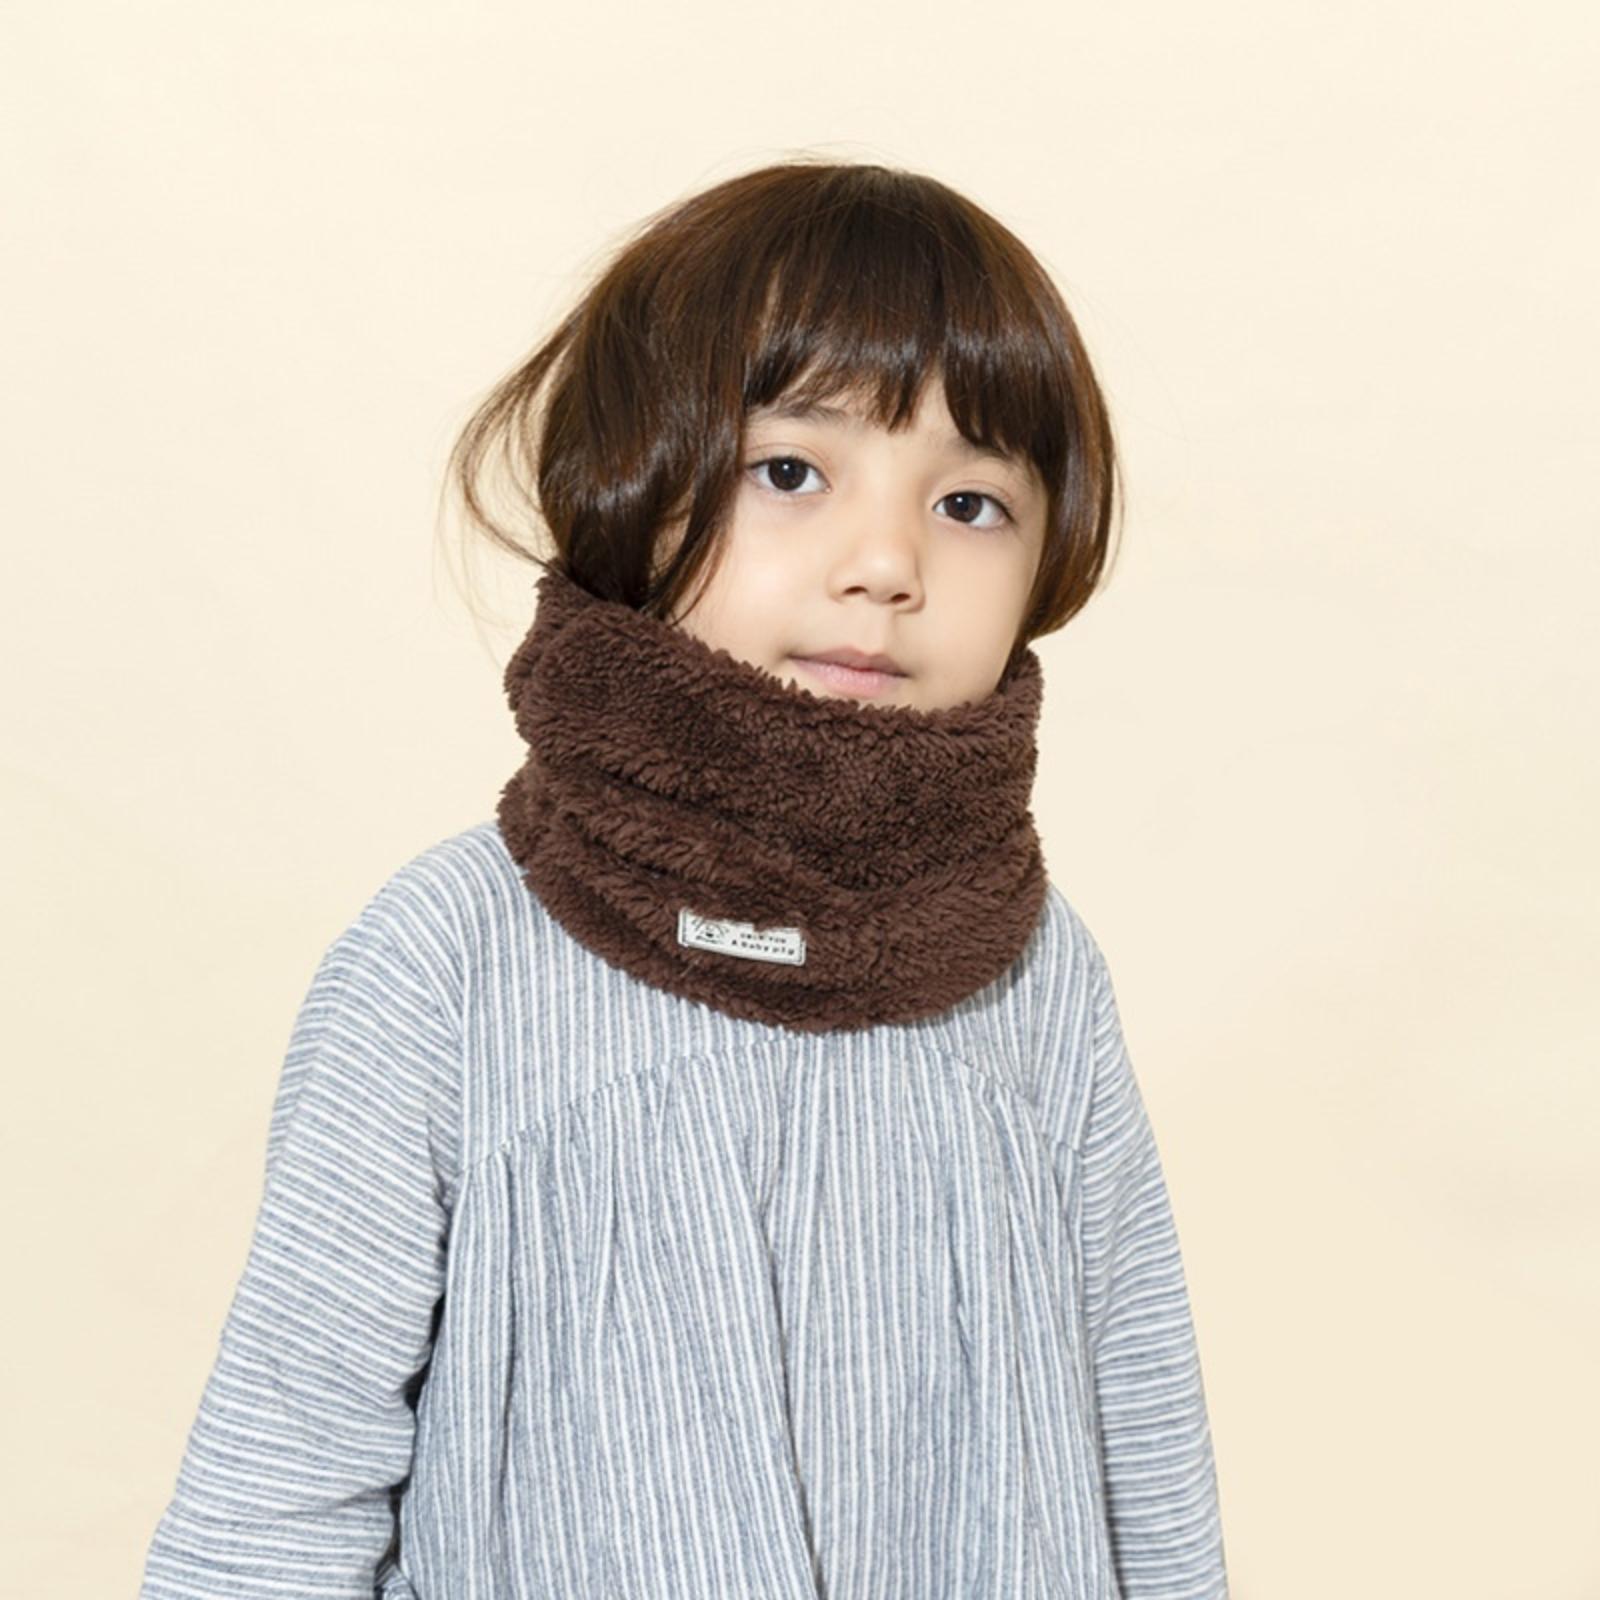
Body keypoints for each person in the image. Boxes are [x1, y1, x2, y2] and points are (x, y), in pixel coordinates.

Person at [138, 158, 1230, 1599]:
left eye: (971, 502)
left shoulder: (1031, 965)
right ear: (635, 493)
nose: (887, 563)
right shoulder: (451, 960)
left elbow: (1145, 1451)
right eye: (789, 472)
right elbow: (282, 1483)